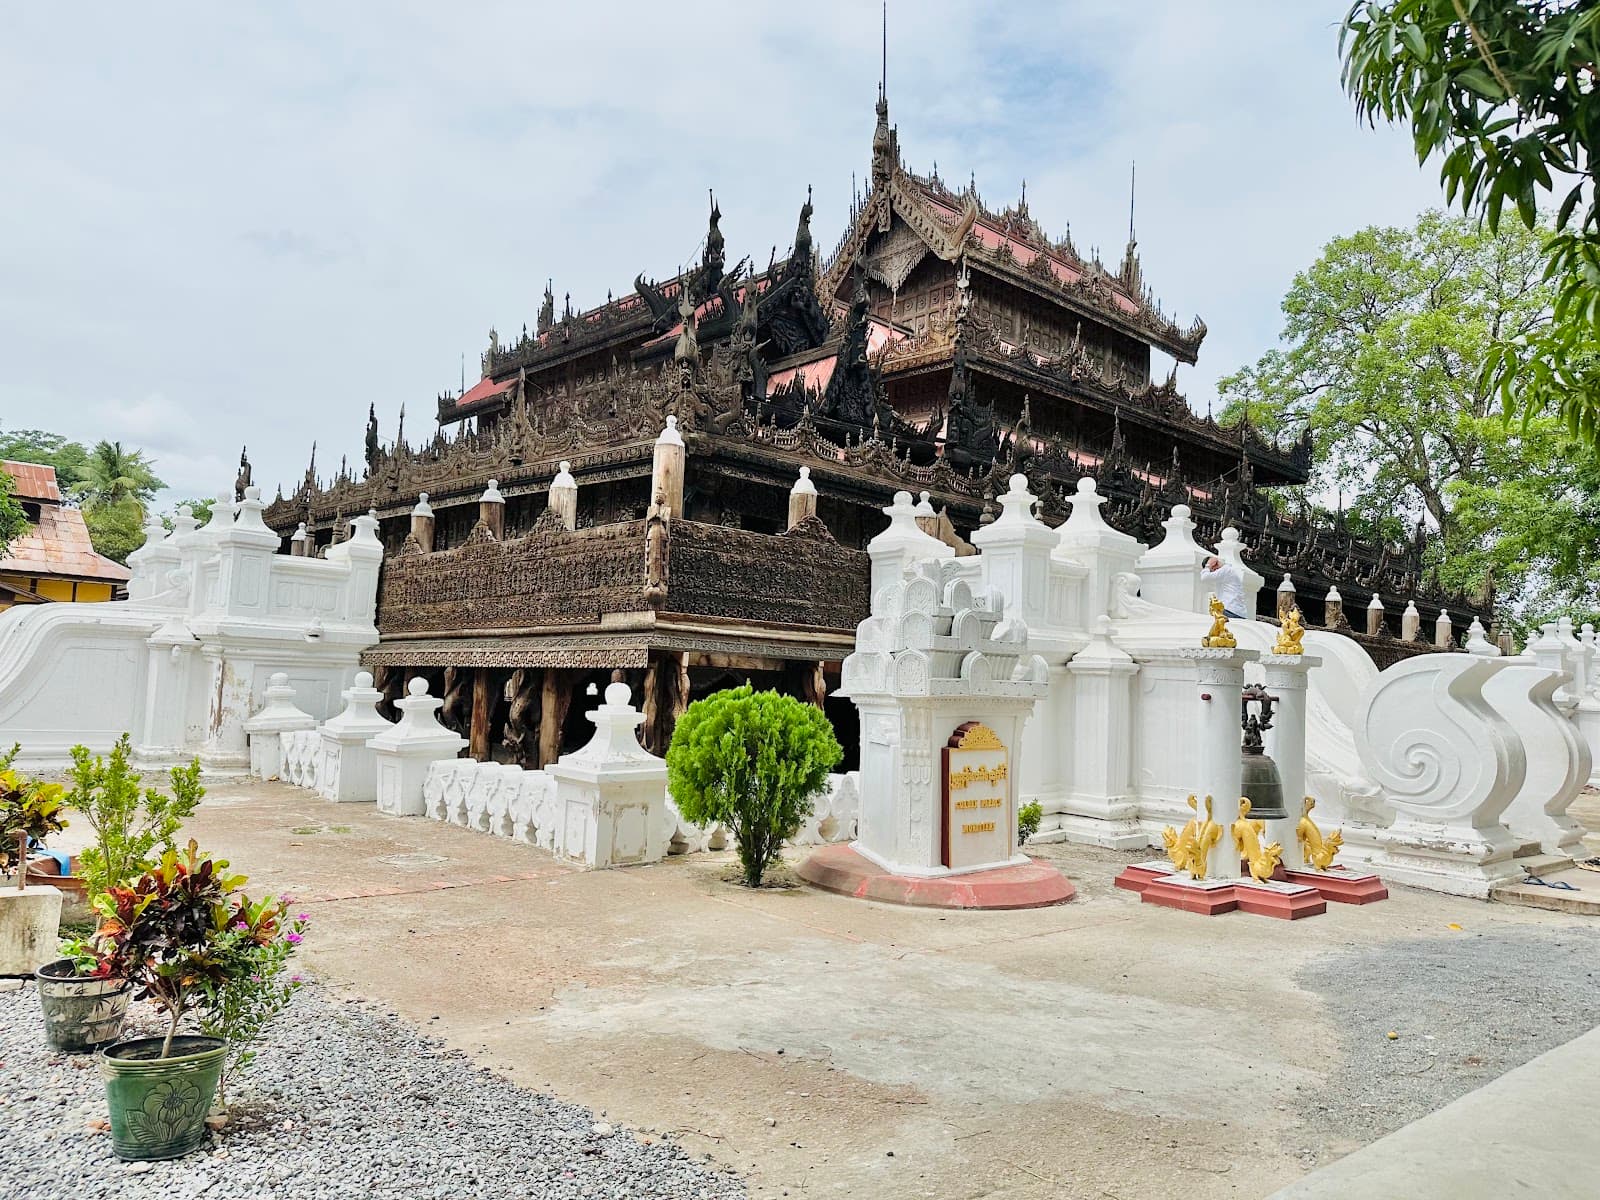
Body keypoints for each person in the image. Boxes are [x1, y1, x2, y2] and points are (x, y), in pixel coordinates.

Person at [1201, 554, 1248, 620]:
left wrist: (1207, 566)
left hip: (1229, 610)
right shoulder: (1227, 571)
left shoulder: (1225, 570)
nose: (1213, 571)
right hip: (1236, 611)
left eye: (1211, 569)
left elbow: (1204, 577)